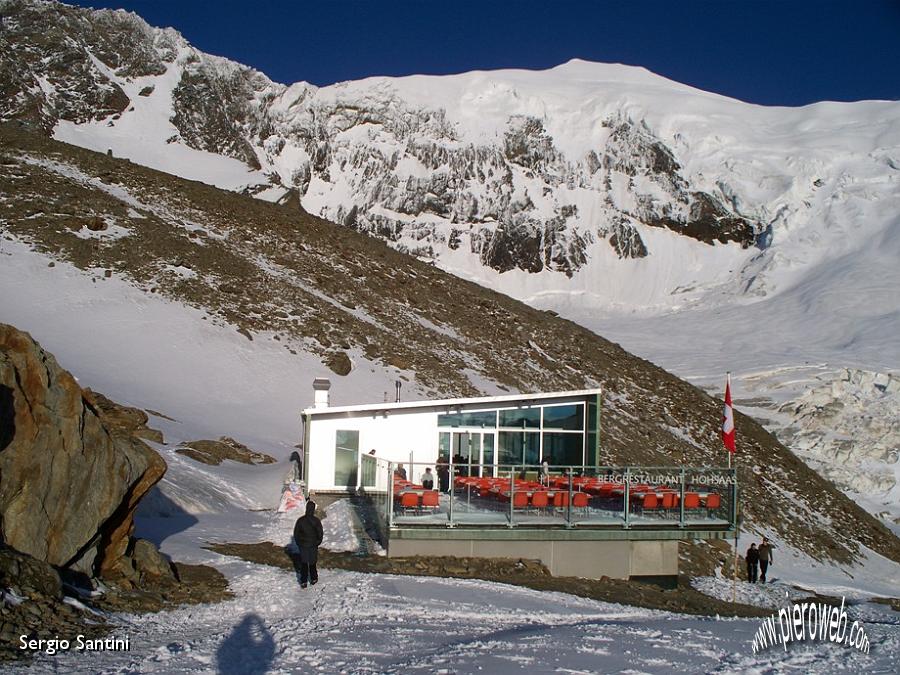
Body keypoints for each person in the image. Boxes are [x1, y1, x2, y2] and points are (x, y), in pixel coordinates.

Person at [292, 500, 323, 589]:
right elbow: (320, 533)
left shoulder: (301, 520)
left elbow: (296, 533)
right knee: (313, 562)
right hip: (313, 545)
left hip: (303, 546)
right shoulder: (316, 521)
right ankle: (313, 578)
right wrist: (317, 542)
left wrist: (299, 543)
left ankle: (303, 581)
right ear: (313, 509)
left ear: (306, 509)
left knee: (304, 563)